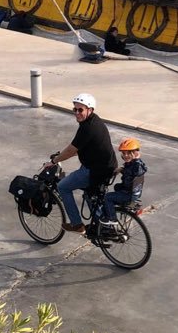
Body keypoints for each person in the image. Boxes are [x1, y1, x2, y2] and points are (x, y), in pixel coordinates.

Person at [44, 93, 118, 234]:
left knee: (63, 187)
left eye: (80, 110)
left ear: (90, 110)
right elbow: (78, 148)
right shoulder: (94, 121)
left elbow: (72, 149)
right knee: (89, 194)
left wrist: (54, 161)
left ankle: (77, 225)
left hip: (95, 170)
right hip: (107, 166)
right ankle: (102, 227)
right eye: (75, 110)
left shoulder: (87, 128)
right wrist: (62, 156)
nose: (77, 113)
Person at [100, 138, 147, 225]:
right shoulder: (134, 164)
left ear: (135, 153)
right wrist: (121, 169)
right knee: (116, 187)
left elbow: (135, 171)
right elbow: (129, 169)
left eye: (129, 153)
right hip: (131, 192)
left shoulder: (137, 165)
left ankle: (112, 218)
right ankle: (110, 213)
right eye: (124, 153)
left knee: (107, 197)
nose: (125, 155)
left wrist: (135, 160)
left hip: (129, 195)